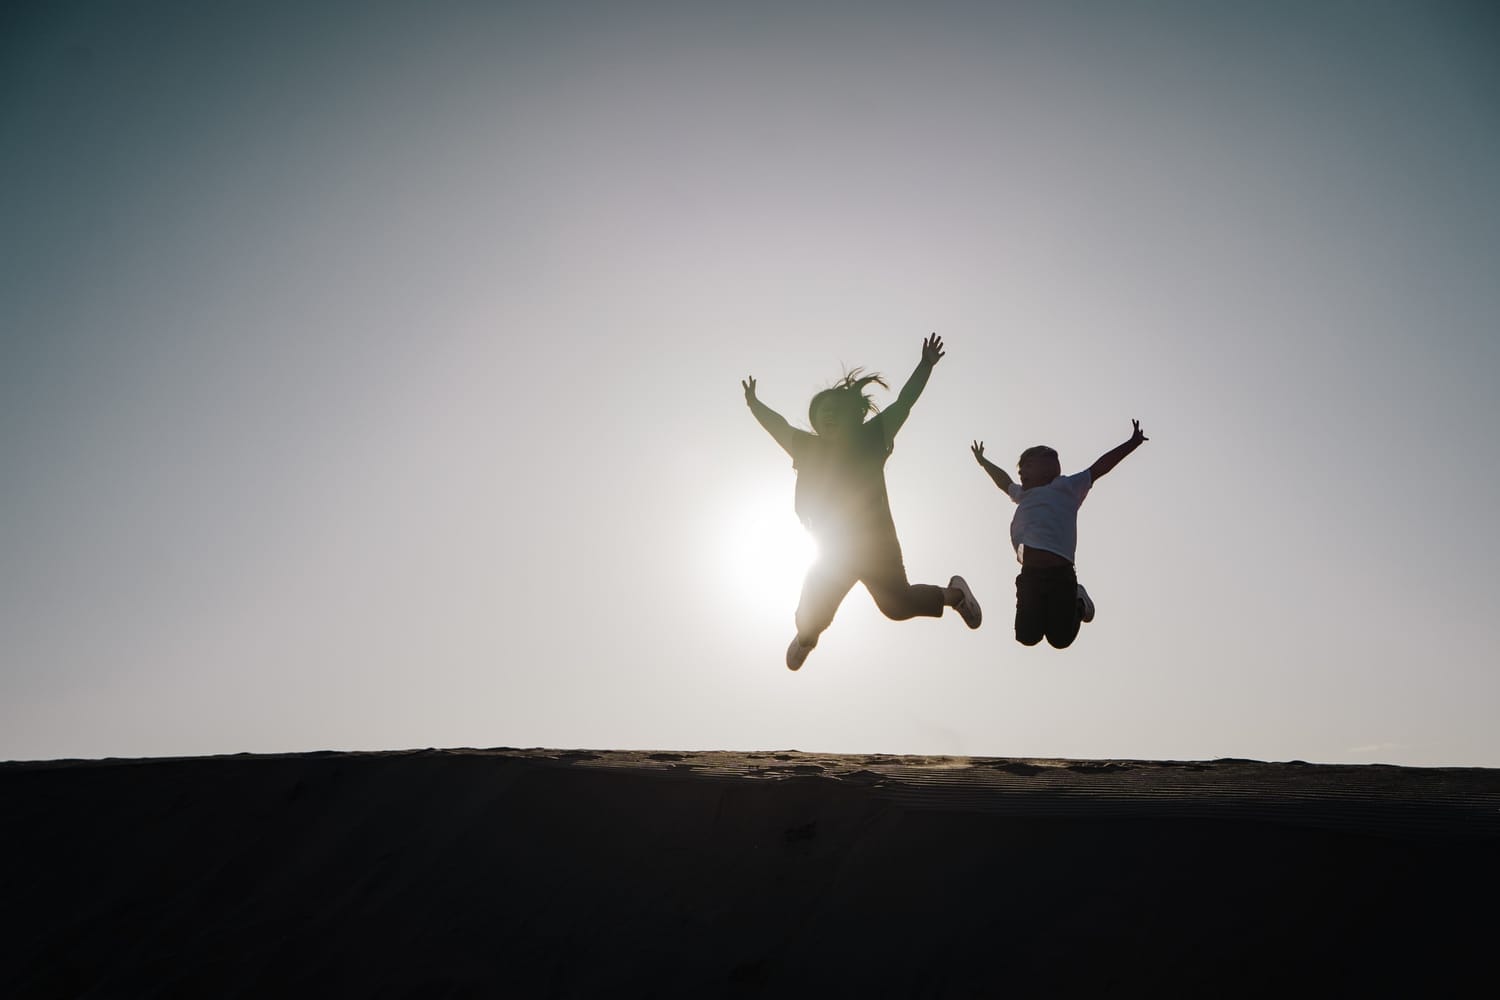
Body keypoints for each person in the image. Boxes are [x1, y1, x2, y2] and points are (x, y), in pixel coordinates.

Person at [743, 334, 982, 671]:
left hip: (875, 544)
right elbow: (778, 426)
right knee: (808, 619)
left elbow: (904, 403)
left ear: (855, 415)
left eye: (835, 410)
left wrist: (925, 365)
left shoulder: (871, 437)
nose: (827, 415)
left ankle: (955, 595)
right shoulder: (807, 447)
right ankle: (807, 638)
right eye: (821, 412)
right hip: (833, 548)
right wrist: (755, 405)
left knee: (896, 607)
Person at [971, 421, 1148, 649]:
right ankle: (1053, 609)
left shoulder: (1068, 487)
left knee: (1060, 639)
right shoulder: (1024, 494)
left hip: (1060, 574)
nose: (1021, 472)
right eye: (1020, 470)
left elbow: (1100, 467)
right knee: (1027, 636)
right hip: (1031, 574)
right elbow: (1003, 481)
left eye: (1027, 466)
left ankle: (1079, 601)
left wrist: (1131, 444)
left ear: (1048, 467)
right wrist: (984, 462)